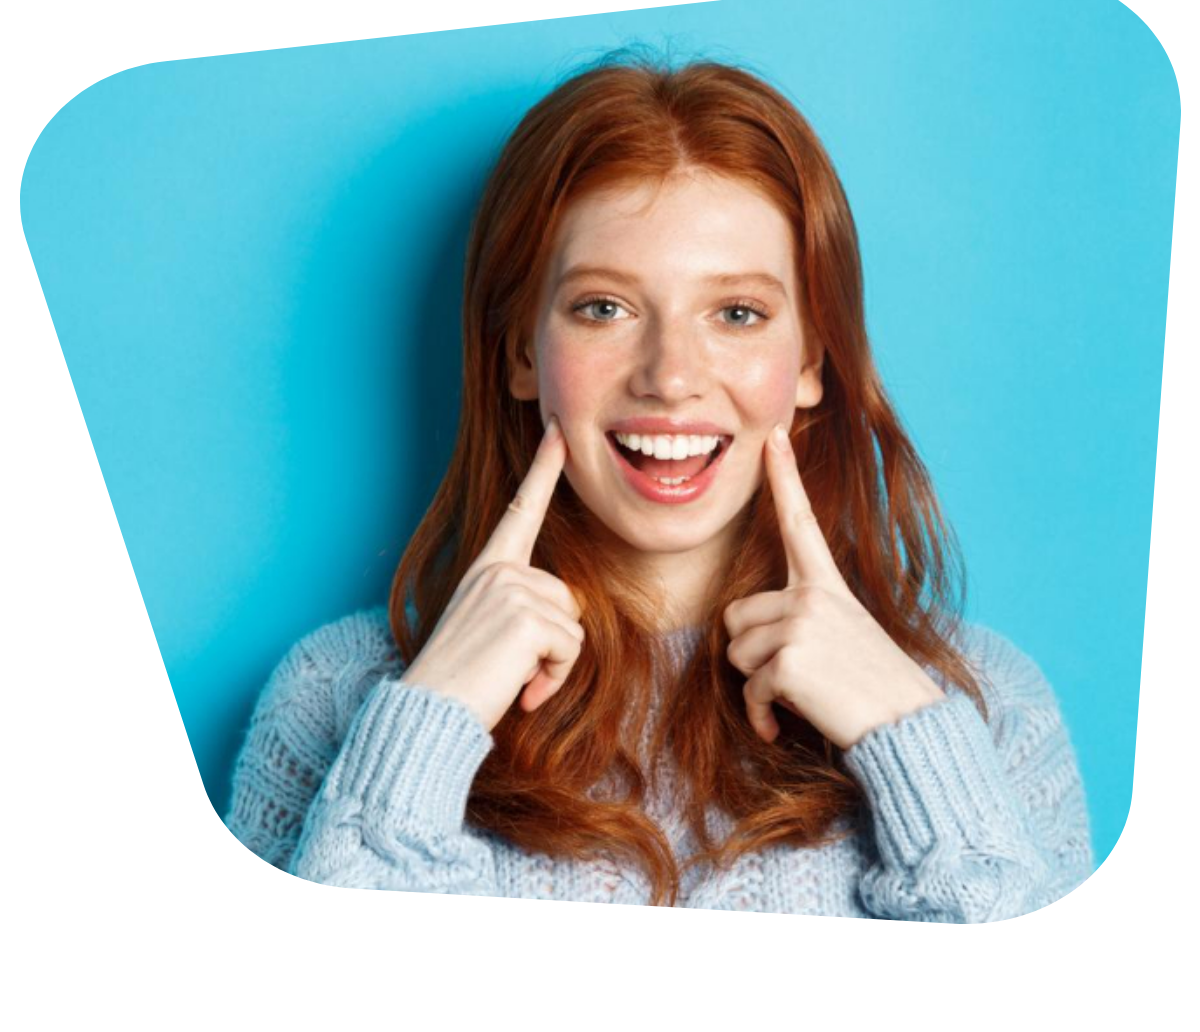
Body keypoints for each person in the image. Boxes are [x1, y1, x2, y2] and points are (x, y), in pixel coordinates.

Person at [223, 46, 1095, 916]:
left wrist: (914, 745)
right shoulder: (336, 698)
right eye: (604, 308)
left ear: (810, 362)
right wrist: (422, 733)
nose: (670, 376)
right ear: (523, 351)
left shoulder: (987, 705)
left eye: (737, 314)